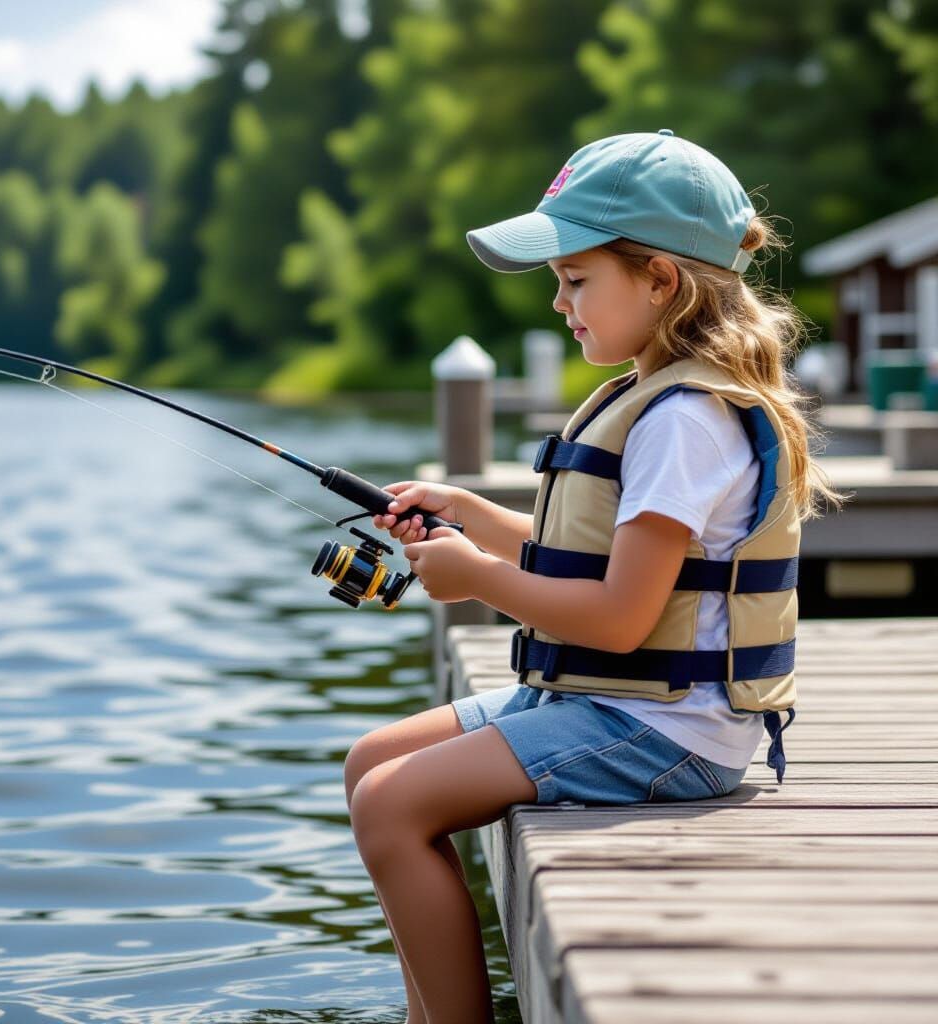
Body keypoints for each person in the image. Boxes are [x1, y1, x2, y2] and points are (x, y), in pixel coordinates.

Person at [343, 129, 847, 1024]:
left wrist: (477, 578)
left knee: (390, 806)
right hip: (613, 703)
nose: (559, 303)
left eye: (577, 280)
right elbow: (595, 559)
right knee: (371, 762)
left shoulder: (683, 420)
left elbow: (618, 619)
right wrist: (470, 513)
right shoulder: (653, 393)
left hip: (667, 731)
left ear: (662, 279)